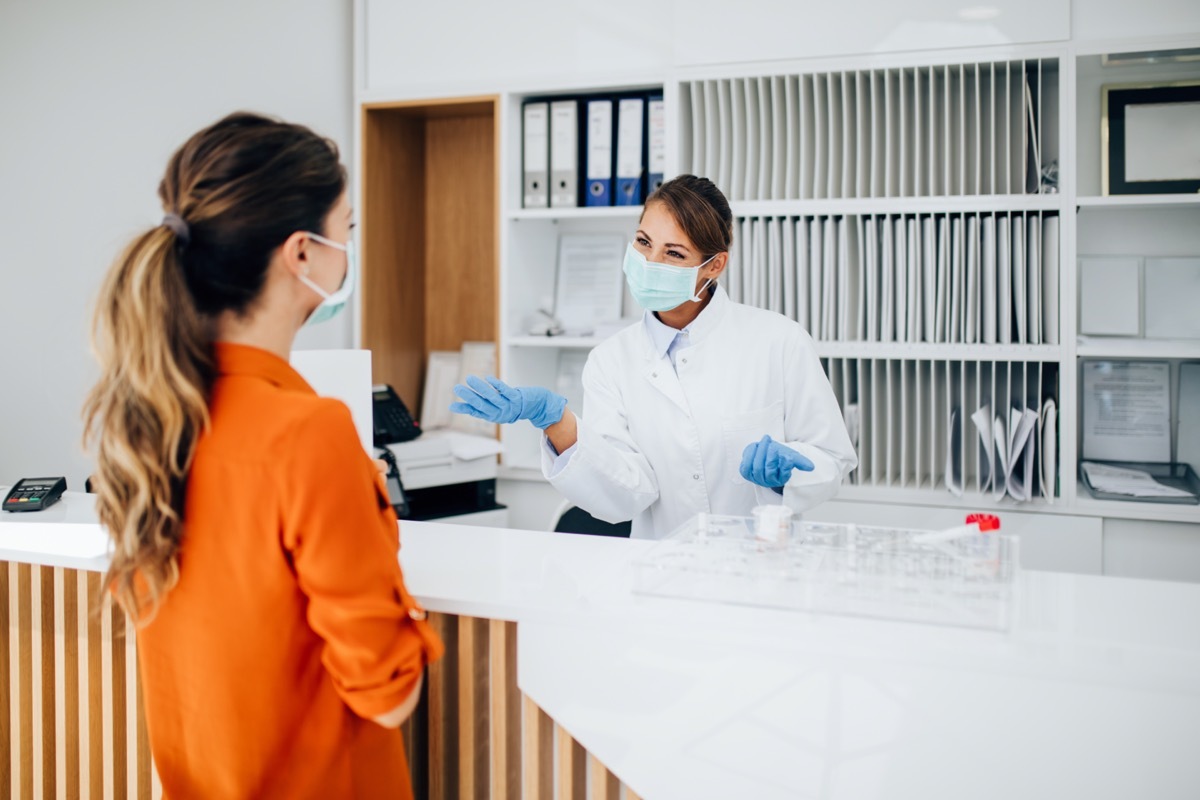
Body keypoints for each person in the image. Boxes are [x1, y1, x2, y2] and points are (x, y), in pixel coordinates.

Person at [83, 112, 442, 799]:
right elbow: (388, 695)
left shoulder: (151, 423)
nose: (349, 248)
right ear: (302, 253)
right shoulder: (309, 433)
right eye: (347, 229)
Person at [451, 175, 857, 539]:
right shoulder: (611, 361)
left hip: (764, 573)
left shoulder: (779, 341)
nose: (650, 263)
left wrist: (792, 468)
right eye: (644, 243)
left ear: (713, 265)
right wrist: (558, 423)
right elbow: (625, 494)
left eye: (674, 254)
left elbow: (833, 458)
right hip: (660, 576)